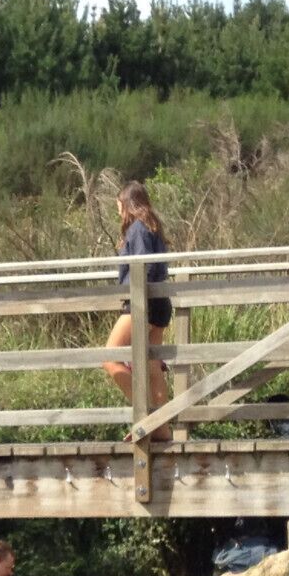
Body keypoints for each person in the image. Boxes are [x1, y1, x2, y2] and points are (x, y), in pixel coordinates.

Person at [101, 183, 175, 435]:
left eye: (119, 204)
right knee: (152, 366)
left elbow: (144, 266)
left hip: (143, 302)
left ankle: (147, 418)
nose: (117, 210)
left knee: (110, 358)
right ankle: (162, 430)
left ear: (127, 203)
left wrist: (135, 295)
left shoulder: (137, 229)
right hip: (159, 300)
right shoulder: (151, 225)